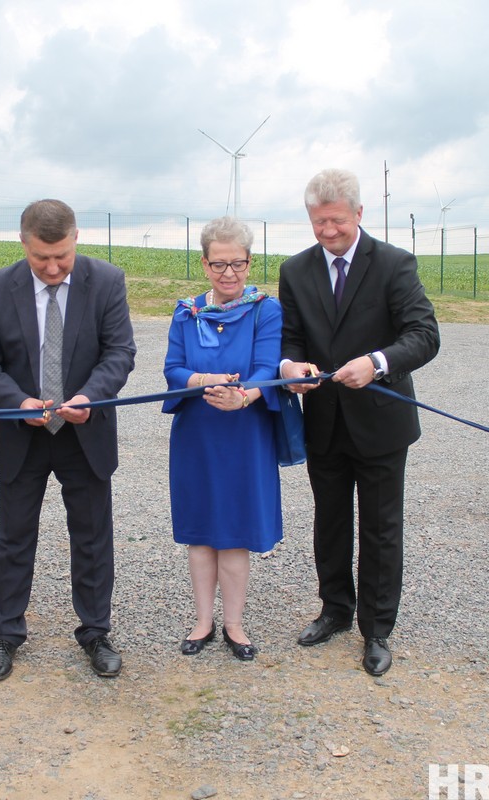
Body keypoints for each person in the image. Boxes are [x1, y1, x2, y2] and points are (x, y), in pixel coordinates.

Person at [0, 199, 136, 681]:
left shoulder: (106, 281)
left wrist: (90, 397)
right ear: (23, 244)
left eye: (62, 255)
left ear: (76, 238)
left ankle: (96, 631)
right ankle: (5, 633)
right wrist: (17, 402)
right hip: (24, 434)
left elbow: (120, 352)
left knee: (92, 537)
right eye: (42, 258)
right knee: (14, 536)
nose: (54, 267)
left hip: (85, 432)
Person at [278, 168, 439, 677]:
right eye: (318, 222)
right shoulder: (296, 270)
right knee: (330, 522)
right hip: (323, 420)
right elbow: (291, 337)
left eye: (337, 221)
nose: (327, 231)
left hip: (381, 421)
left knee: (381, 527)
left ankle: (378, 628)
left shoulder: (393, 264)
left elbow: (424, 335)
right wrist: (290, 367)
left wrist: (378, 361)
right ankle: (335, 611)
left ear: (359, 214)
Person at [162, 217, 282, 661]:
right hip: (197, 435)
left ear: (251, 262)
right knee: (200, 532)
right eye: (219, 264)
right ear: (204, 263)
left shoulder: (266, 310)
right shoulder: (187, 311)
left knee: (234, 532)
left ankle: (234, 624)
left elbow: (269, 367)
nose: (229, 273)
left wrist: (245, 397)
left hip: (245, 433)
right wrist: (202, 379)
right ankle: (202, 622)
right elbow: (172, 369)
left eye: (238, 263)